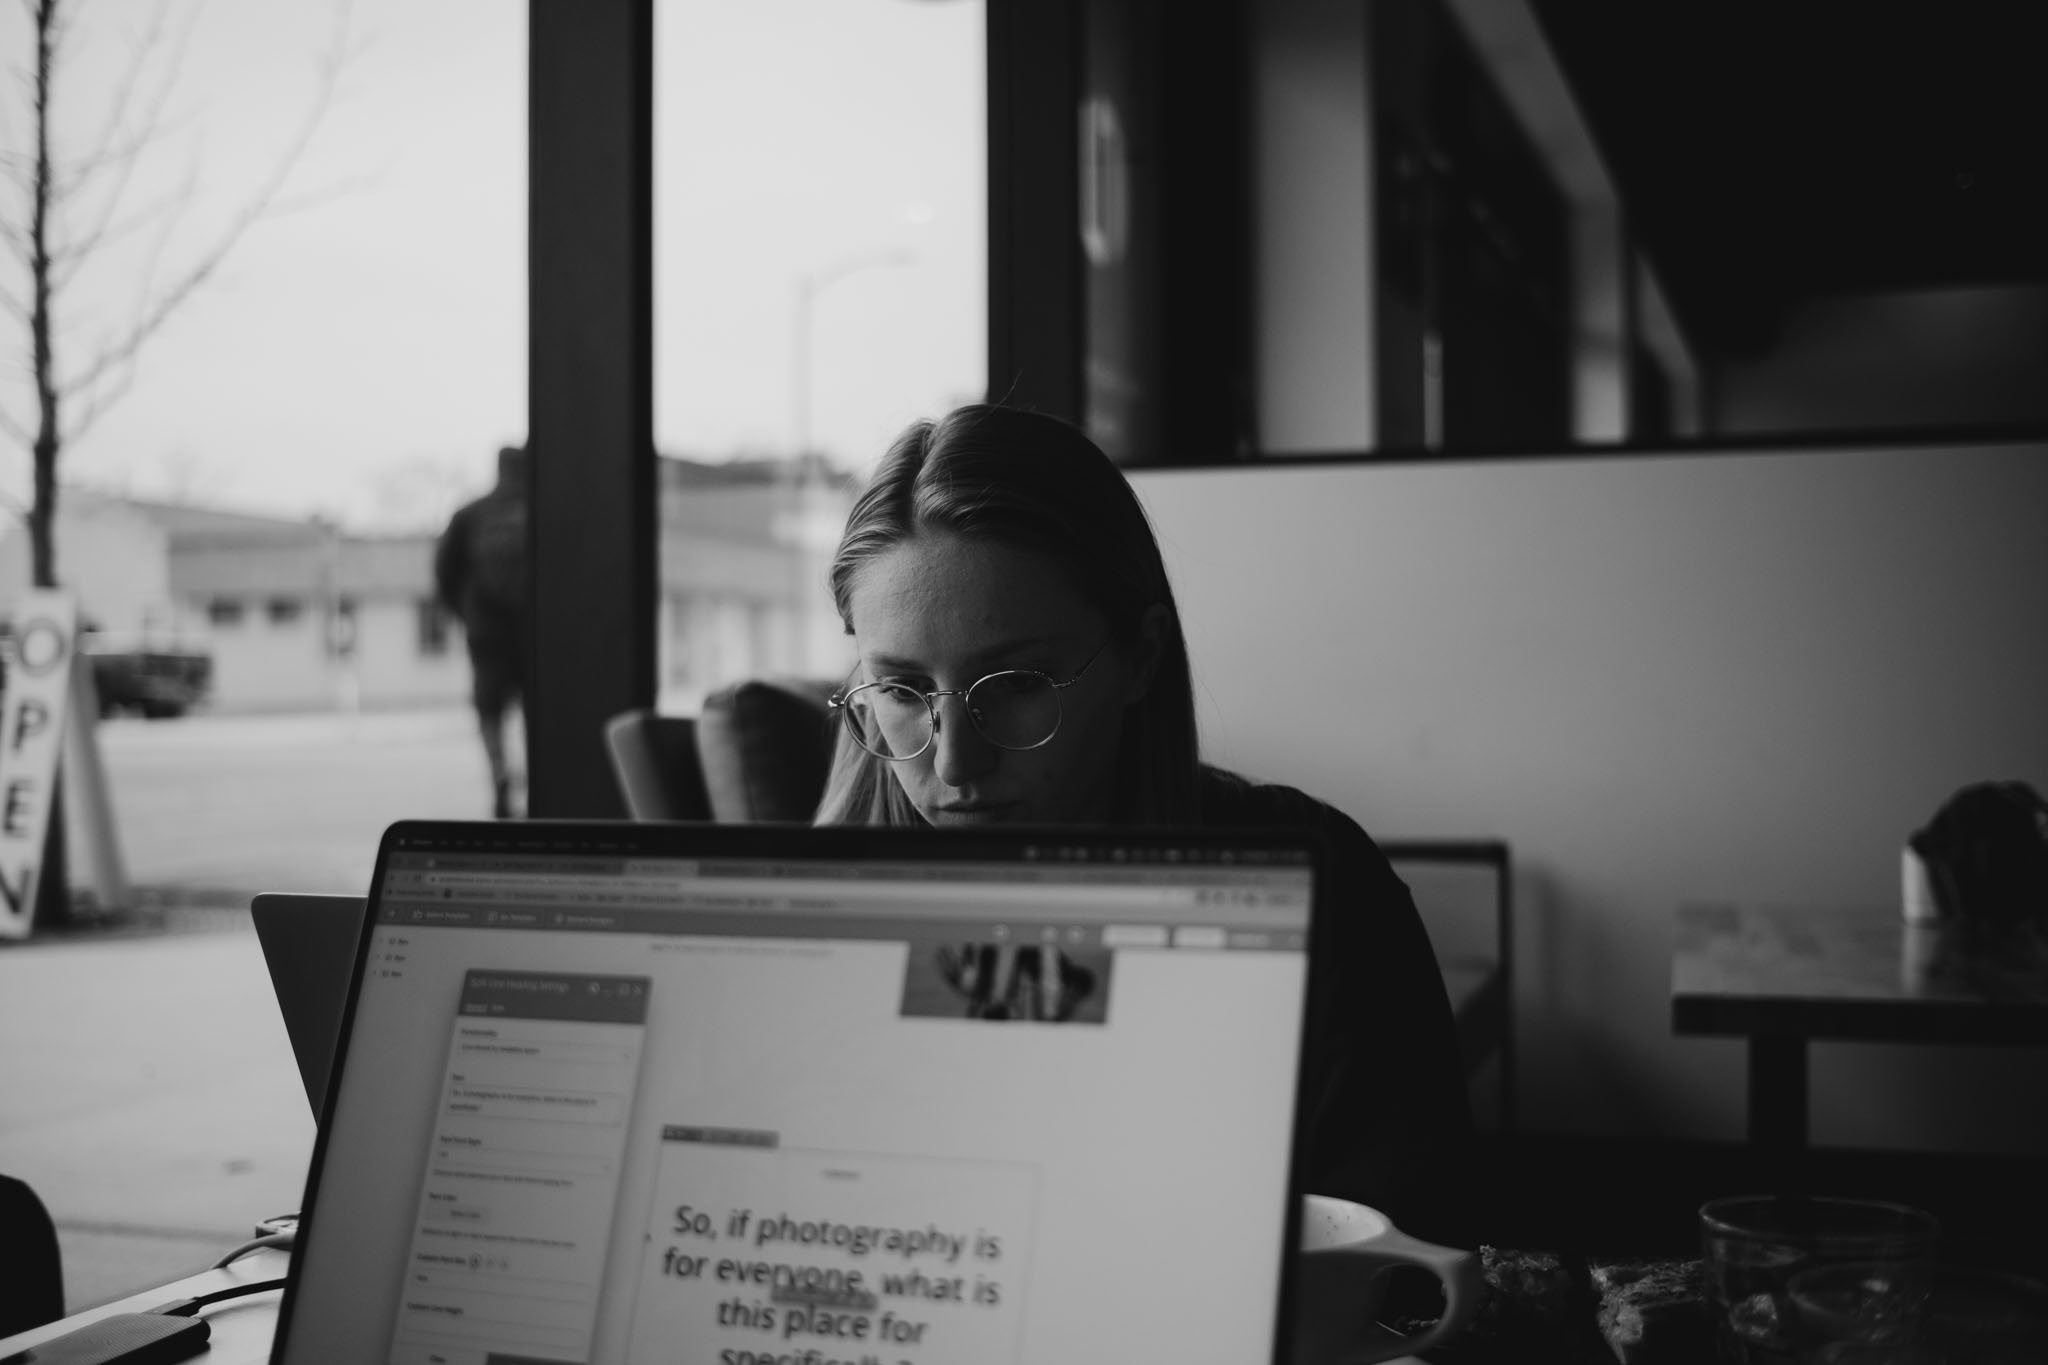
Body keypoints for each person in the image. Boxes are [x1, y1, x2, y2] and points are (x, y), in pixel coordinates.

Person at [813, 404, 1475, 1244]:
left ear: (1143, 655)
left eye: (1016, 682)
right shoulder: (811, 931)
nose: (953, 767)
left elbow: (1404, 1268)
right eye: (903, 691)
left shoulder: (1323, 890)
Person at [435, 444, 531, 819]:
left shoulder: (471, 514)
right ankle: (536, 780)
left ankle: (499, 774)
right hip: (533, 638)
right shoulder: (544, 510)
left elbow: (444, 574)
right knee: (535, 712)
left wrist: (467, 616)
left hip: (487, 635)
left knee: (490, 712)